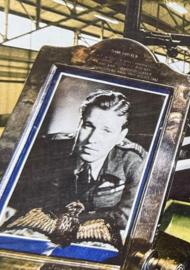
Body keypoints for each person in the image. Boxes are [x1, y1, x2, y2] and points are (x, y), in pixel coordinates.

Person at [3, 90, 147, 248]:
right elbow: (23, 199)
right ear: (80, 124)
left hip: (95, 236)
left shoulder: (133, 161)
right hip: (40, 232)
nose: (92, 139)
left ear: (121, 136)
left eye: (106, 131)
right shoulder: (49, 149)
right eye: (88, 126)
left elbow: (128, 217)